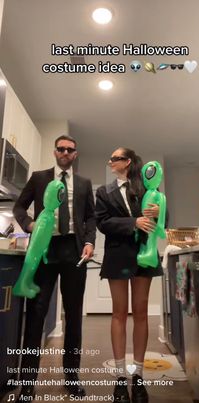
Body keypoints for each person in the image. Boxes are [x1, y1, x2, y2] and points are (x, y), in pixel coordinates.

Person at [13, 135, 96, 401]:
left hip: (74, 252)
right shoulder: (39, 178)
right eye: (60, 148)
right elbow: (19, 206)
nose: (65, 152)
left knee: (73, 317)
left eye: (70, 149)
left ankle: (72, 378)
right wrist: (29, 225)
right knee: (36, 316)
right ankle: (27, 383)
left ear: (75, 154)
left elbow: (90, 216)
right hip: (45, 251)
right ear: (54, 152)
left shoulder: (84, 183)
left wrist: (90, 241)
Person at [95, 147, 164, 403]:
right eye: (111, 158)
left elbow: (163, 223)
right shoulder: (103, 192)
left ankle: (138, 376)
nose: (110, 161)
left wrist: (158, 217)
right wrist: (132, 223)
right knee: (119, 313)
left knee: (142, 312)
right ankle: (120, 378)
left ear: (128, 162)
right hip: (117, 255)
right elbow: (102, 223)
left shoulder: (148, 189)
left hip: (144, 255)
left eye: (115, 158)